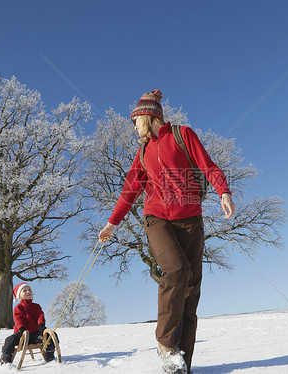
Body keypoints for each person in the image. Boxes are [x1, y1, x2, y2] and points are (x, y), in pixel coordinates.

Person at [99, 89, 235, 374]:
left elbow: (207, 166)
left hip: (190, 220)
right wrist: (113, 222)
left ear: (148, 117)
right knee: (175, 270)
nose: (133, 125)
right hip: (157, 218)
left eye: (134, 120)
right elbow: (130, 190)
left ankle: (180, 364)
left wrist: (223, 192)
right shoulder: (144, 152)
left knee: (191, 291)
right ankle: (165, 344)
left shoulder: (183, 135)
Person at [0, 282, 57, 364]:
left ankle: (50, 354)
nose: (28, 292)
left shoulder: (36, 306)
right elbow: (18, 319)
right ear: (19, 295)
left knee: (50, 335)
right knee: (9, 340)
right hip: (21, 335)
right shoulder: (18, 308)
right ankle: (6, 359)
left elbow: (40, 316)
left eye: (29, 290)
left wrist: (41, 325)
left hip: (35, 335)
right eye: (24, 290)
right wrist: (22, 328)